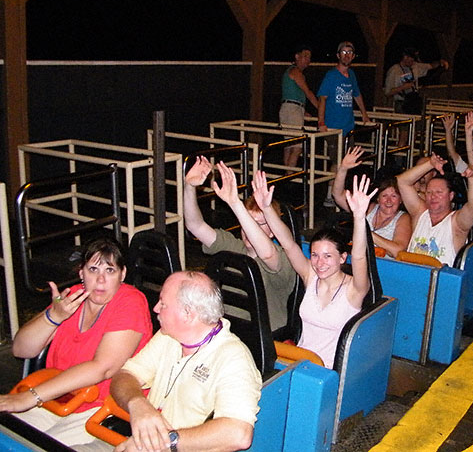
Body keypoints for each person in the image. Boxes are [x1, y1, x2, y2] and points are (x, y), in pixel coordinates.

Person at [0, 237, 153, 448]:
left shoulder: (131, 302)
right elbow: (21, 349)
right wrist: (52, 317)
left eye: (110, 271)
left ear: (123, 274)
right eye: (93, 270)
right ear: (81, 273)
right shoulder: (71, 298)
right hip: (57, 398)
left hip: (99, 408)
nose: (100, 280)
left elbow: (102, 368)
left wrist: (30, 397)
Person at [108, 271, 262, 452]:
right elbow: (124, 376)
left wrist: (165, 442)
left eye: (163, 304)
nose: (156, 308)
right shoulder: (169, 336)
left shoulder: (233, 358)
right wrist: (138, 405)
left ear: (187, 314)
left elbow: (238, 434)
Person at [252, 169, 376, 369]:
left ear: (343, 258)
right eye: (315, 255)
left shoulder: (355, 289)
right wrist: (267, 209)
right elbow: (289, 245)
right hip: (298, 363)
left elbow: (360, 256)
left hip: (328, 371)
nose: (320, 263)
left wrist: (360, 217)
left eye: (328, 256)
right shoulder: (310, 276)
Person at [183, 157, 296, 332]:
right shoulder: (232, 245)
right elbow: (194, 225)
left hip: (264, 338)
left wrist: (235, 203)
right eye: (248, 222)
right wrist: (190, 188)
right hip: (226, 331)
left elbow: (267, 254)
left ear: (273, 230)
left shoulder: (283, 258)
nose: (249, 229)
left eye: (260, 224)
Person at [396, 153, 473, 266]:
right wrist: (429, 164)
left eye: (439, 192)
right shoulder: (419, 214)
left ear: (451, 196)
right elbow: (402, 182)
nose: (433, 196)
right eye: (429, 192)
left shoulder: (456, 223)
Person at [332, 146, 411, 258]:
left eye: (394, 196)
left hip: (382, 267)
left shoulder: (403, 218)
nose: (389, 200)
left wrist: (367, 233)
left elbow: (398, 251)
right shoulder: (367, 208)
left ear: (401, 200)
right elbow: (338, 195)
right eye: (384, 195)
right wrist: (343, 169)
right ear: (378, 198)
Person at [317, 41, 370, 207]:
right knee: (338, 162)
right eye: (344, 52)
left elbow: (357, 95)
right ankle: (330, 195)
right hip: (333, 126)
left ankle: (339, 193)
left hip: (348, 126)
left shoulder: (351, 75)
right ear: (338, 55)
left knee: (347, 161)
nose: (347, 55)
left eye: (350, 53)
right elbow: (322, 98)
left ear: (353, 56)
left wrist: (364, 115)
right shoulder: (331, 76)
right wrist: (321, 122)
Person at [279, 44, 320, 167]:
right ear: (297, 56)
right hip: (292, 109)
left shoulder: (291, 71)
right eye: (305, 56)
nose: (308, 60)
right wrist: (322, 110)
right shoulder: (295, 71)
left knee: (289, 144)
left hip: (290, 108)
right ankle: (290, 176)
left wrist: (302, 110)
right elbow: (308, 92)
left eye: (309, 57)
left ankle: (287, 176)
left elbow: (294, 95)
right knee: (297, 146)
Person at [384, 47, 449, 114]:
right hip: (401, 104)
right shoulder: (394, 70)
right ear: (405, 57)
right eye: (411, 60)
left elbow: (430, 66)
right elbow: (388, 92)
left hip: (414, 102)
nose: (412, 63)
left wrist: (441, 62)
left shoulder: (415, 67)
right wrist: (403, 87)